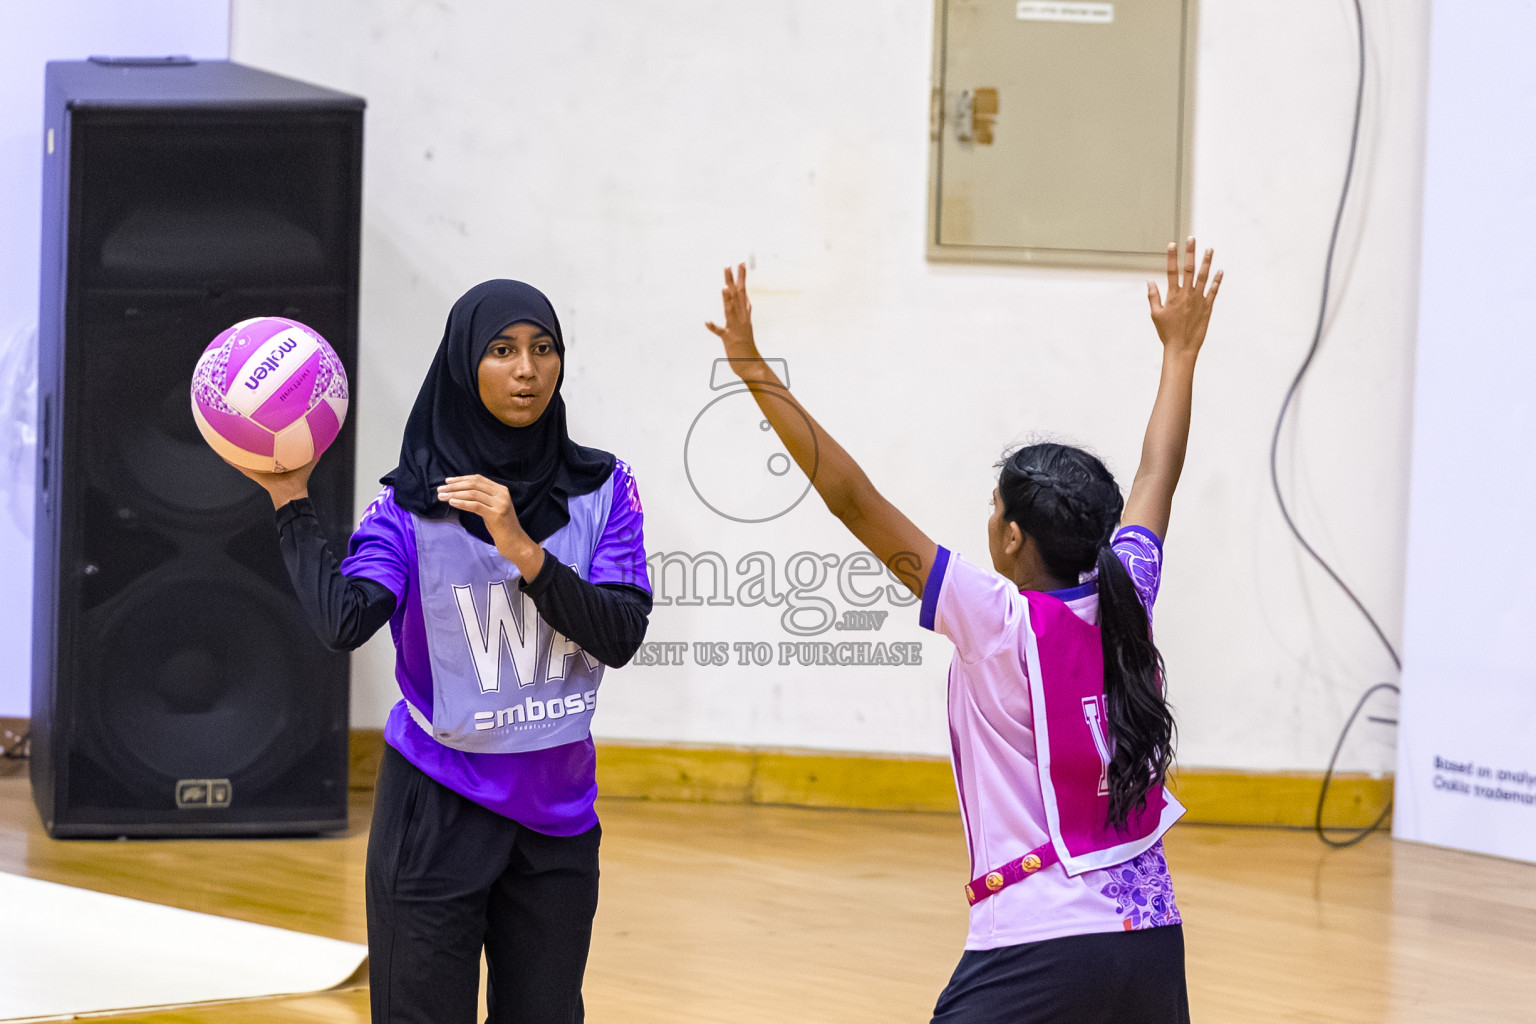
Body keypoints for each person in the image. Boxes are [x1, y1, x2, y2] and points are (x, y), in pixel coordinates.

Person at [702, 238, 1222, 1023]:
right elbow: (1159, 470)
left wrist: (751, 370)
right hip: (1150, 938)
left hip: (1036, 945)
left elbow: (852, 499)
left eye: (995, 509)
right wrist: (1181, 351)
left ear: (1013, 538)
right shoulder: (1129, 589)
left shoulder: (996, 619)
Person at [234, 280, 652, 1024]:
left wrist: (523, 548)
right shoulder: (406, 508)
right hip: (436, 805)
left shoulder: (606, 488)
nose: (527, 369)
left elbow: (620, 634)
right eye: (501, 350)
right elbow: (344, 621)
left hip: (558, 811)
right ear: (464, 366)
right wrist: (289, 500)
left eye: (543, 347)